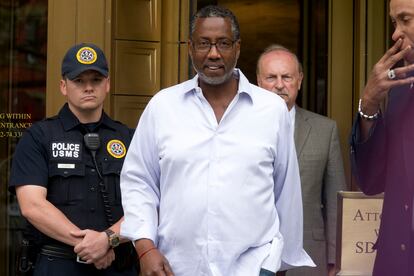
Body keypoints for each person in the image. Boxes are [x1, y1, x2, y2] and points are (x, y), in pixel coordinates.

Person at [119, 5, 314, 276]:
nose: (213, 53)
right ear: (190, 47)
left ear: (237, 47)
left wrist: (277, 264)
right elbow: (139, 183)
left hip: (253, 268)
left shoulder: (271, 111)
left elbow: (286, 194)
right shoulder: (162, 107)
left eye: (223, 43)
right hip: (175, 268)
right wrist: (146, 248)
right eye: (204, 44)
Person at [9, 43, 137, 276]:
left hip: (118, 265)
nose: (88, 87)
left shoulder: (129, 138)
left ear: (107, 84)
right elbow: (32, 206)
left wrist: (108, 240)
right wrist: (91, 245)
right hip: (57, 265)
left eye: (96, 80)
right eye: (79, 81)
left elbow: (147, 203)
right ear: (63, 86)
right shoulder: (38, 137)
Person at [256, 44, 346, 276]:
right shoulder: (238, 129)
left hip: (309, 255)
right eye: (271, 77)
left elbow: (336, 200)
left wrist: (336, 257)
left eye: (286, 77)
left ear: (300, 80)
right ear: (258, 82)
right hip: (251, 255)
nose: (279, 85)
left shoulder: (325, 130)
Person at [350, 0, 414, 275]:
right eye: (393, 22)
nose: (395, 34)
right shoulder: (401, 88)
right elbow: (372, 180)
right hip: (397, 262)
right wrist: (369, 103)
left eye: (405, 20)